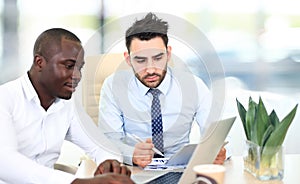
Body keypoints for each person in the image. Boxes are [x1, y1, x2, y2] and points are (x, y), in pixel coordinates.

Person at [0, 28, 134, 184]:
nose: (77, 76)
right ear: (39, 63)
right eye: (69, 66)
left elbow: (99, 145)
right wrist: (76, 182)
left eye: (79, 68)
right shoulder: (5, 99)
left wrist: (110, 163)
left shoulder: (67, 105)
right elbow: (4, 162)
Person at [98, 12, 227, 168]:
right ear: (128, 59)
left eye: (158, 58)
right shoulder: (113, 86)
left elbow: (215, 133)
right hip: (134, 170)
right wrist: (130, 153)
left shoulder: (194, 86)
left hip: (181, 169)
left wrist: (217, 151)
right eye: (140, 60)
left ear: (168, 53)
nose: (151, 69)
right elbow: (109, 140)